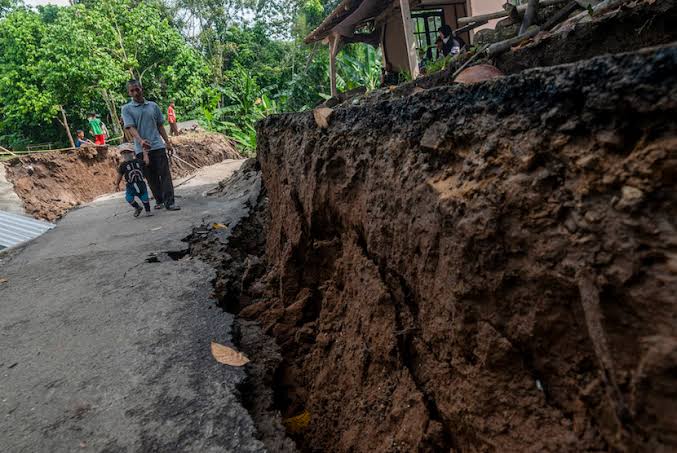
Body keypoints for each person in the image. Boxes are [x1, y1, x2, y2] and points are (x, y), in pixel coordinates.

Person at [121, 79, 180, 211]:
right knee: (151, 177)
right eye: (132, 90)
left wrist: (167, 143)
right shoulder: (126, 109)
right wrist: (141, 140)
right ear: (129, 93)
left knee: (165, 175)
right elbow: (130, 127)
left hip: (158, 146)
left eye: (137, 89)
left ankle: (170, 202)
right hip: (141, 149)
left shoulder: (153, 106)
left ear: (141, 88)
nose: (135, 92)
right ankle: (159, 200)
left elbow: (160, 125)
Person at [114, 145, 153, 218]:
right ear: (122, 155)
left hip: (141, 184)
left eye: (128, 152)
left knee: (145, 198)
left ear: (133, 153)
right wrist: (117, 184)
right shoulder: (123, 165)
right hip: (130, 186)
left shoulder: (138, 161)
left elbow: (146, 162)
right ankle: (138, 207)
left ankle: (148, 211)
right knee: (129, 198)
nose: (126, 155)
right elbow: (120, 175)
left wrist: (145, 152)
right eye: (124, 153)